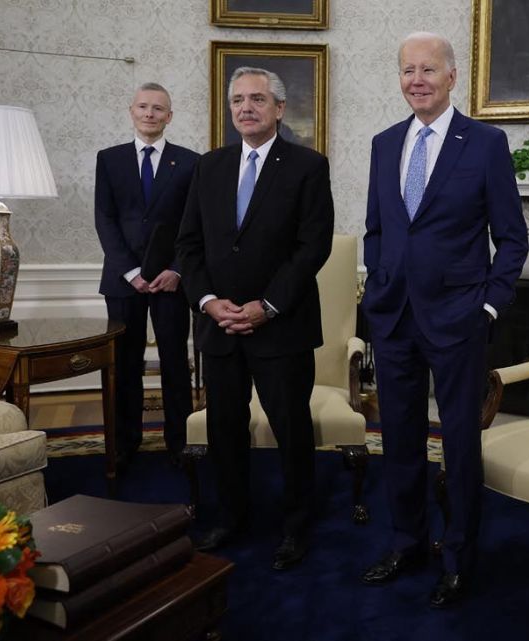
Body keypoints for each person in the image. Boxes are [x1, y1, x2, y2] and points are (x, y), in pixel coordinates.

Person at [359, 32, 528, 608]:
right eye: (407, 70)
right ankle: (406, 541)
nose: (417, 80)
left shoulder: (484, 143)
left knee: (459, 444)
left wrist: (487, 305)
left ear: (453, 76)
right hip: (394, 319)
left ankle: (458, 558)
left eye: (428, 69)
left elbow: (511, 239)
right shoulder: (384, 144)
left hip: (459, 320)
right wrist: (378, 285)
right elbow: (377, 229)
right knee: (398, 440)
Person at [176, 67, 334, 571]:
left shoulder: (308, 166)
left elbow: (313, 247)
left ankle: (295, 524)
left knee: (291, 429)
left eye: (258, 99)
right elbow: (188, 245)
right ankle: (231, 516)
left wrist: (266, 306)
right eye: (238, 100)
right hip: (219, 327)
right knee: (225, 428)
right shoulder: (209, 166)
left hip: (281, 327)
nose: (246, 107)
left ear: (279, 108)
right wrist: (207, 302)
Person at [94, 82, 198, 472]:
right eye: (144, 107)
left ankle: (180, 442)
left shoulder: (190, 162)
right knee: (124, 363)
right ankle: (125, 442)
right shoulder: (109, 159)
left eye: (159, 108)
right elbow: (104, 219)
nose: (150, 113)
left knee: (174, 362)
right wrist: (132, 272)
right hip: (123, 281)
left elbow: (195, 224)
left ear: (169, 116)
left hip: (172, 281)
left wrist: (176, 271)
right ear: (131, 111)